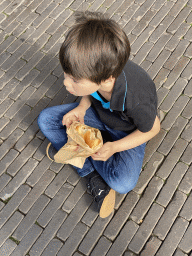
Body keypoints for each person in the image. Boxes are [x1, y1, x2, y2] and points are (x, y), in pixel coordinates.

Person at [38, 11, 160, 218]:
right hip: (99, 115)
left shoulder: (135, 98)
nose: (66, 83)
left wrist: (114, 147)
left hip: (128, 132)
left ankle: (79, 151)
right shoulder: (98, 73)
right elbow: (91, 92)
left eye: (74, 80)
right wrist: (81, 107)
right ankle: (91, 173)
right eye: (66, 75)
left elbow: (153, 128)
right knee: (46, 120)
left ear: (106, 80)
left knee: (123, 183)